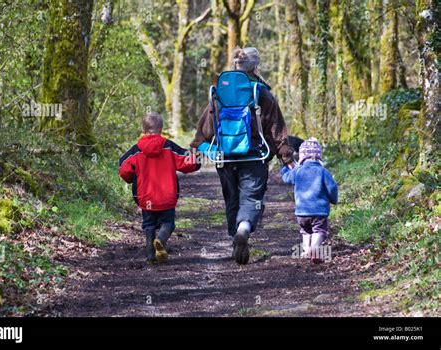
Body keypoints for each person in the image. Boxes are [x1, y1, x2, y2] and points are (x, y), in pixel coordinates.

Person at [190, 47, 294, 264]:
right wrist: (286, 157)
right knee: (252, 198)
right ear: (256, 67)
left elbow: (205, 130)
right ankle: (244, 229)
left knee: (232, 198)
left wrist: (196, 149)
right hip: (254, 156)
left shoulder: (220, 92)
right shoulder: (262, 93)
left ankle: (234, 237)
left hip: (225, 157)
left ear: (235, 65)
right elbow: (276, 130)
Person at [119, 112, 200, 263]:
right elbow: (187, 161)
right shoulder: (169, 147)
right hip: (166, 197)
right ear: (161, 128)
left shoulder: (136, 150)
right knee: (168, 223)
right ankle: (161, 239)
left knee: (148, 224)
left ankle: (150, 254)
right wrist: (198, 155)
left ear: (143, 129)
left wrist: (131, 178)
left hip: (145, 197)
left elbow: (124, 169)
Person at [281, 137, 338, 263]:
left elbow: (286, 178)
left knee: (306, 231)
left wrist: (285, 167)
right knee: (319, 230)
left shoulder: (297, 171)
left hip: (301, 212)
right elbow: (332, 188)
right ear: (319, 156)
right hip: (319, 211)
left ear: (301, 157)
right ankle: (315, 249)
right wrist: (334, 199)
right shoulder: (323, 171)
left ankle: (306, 251)